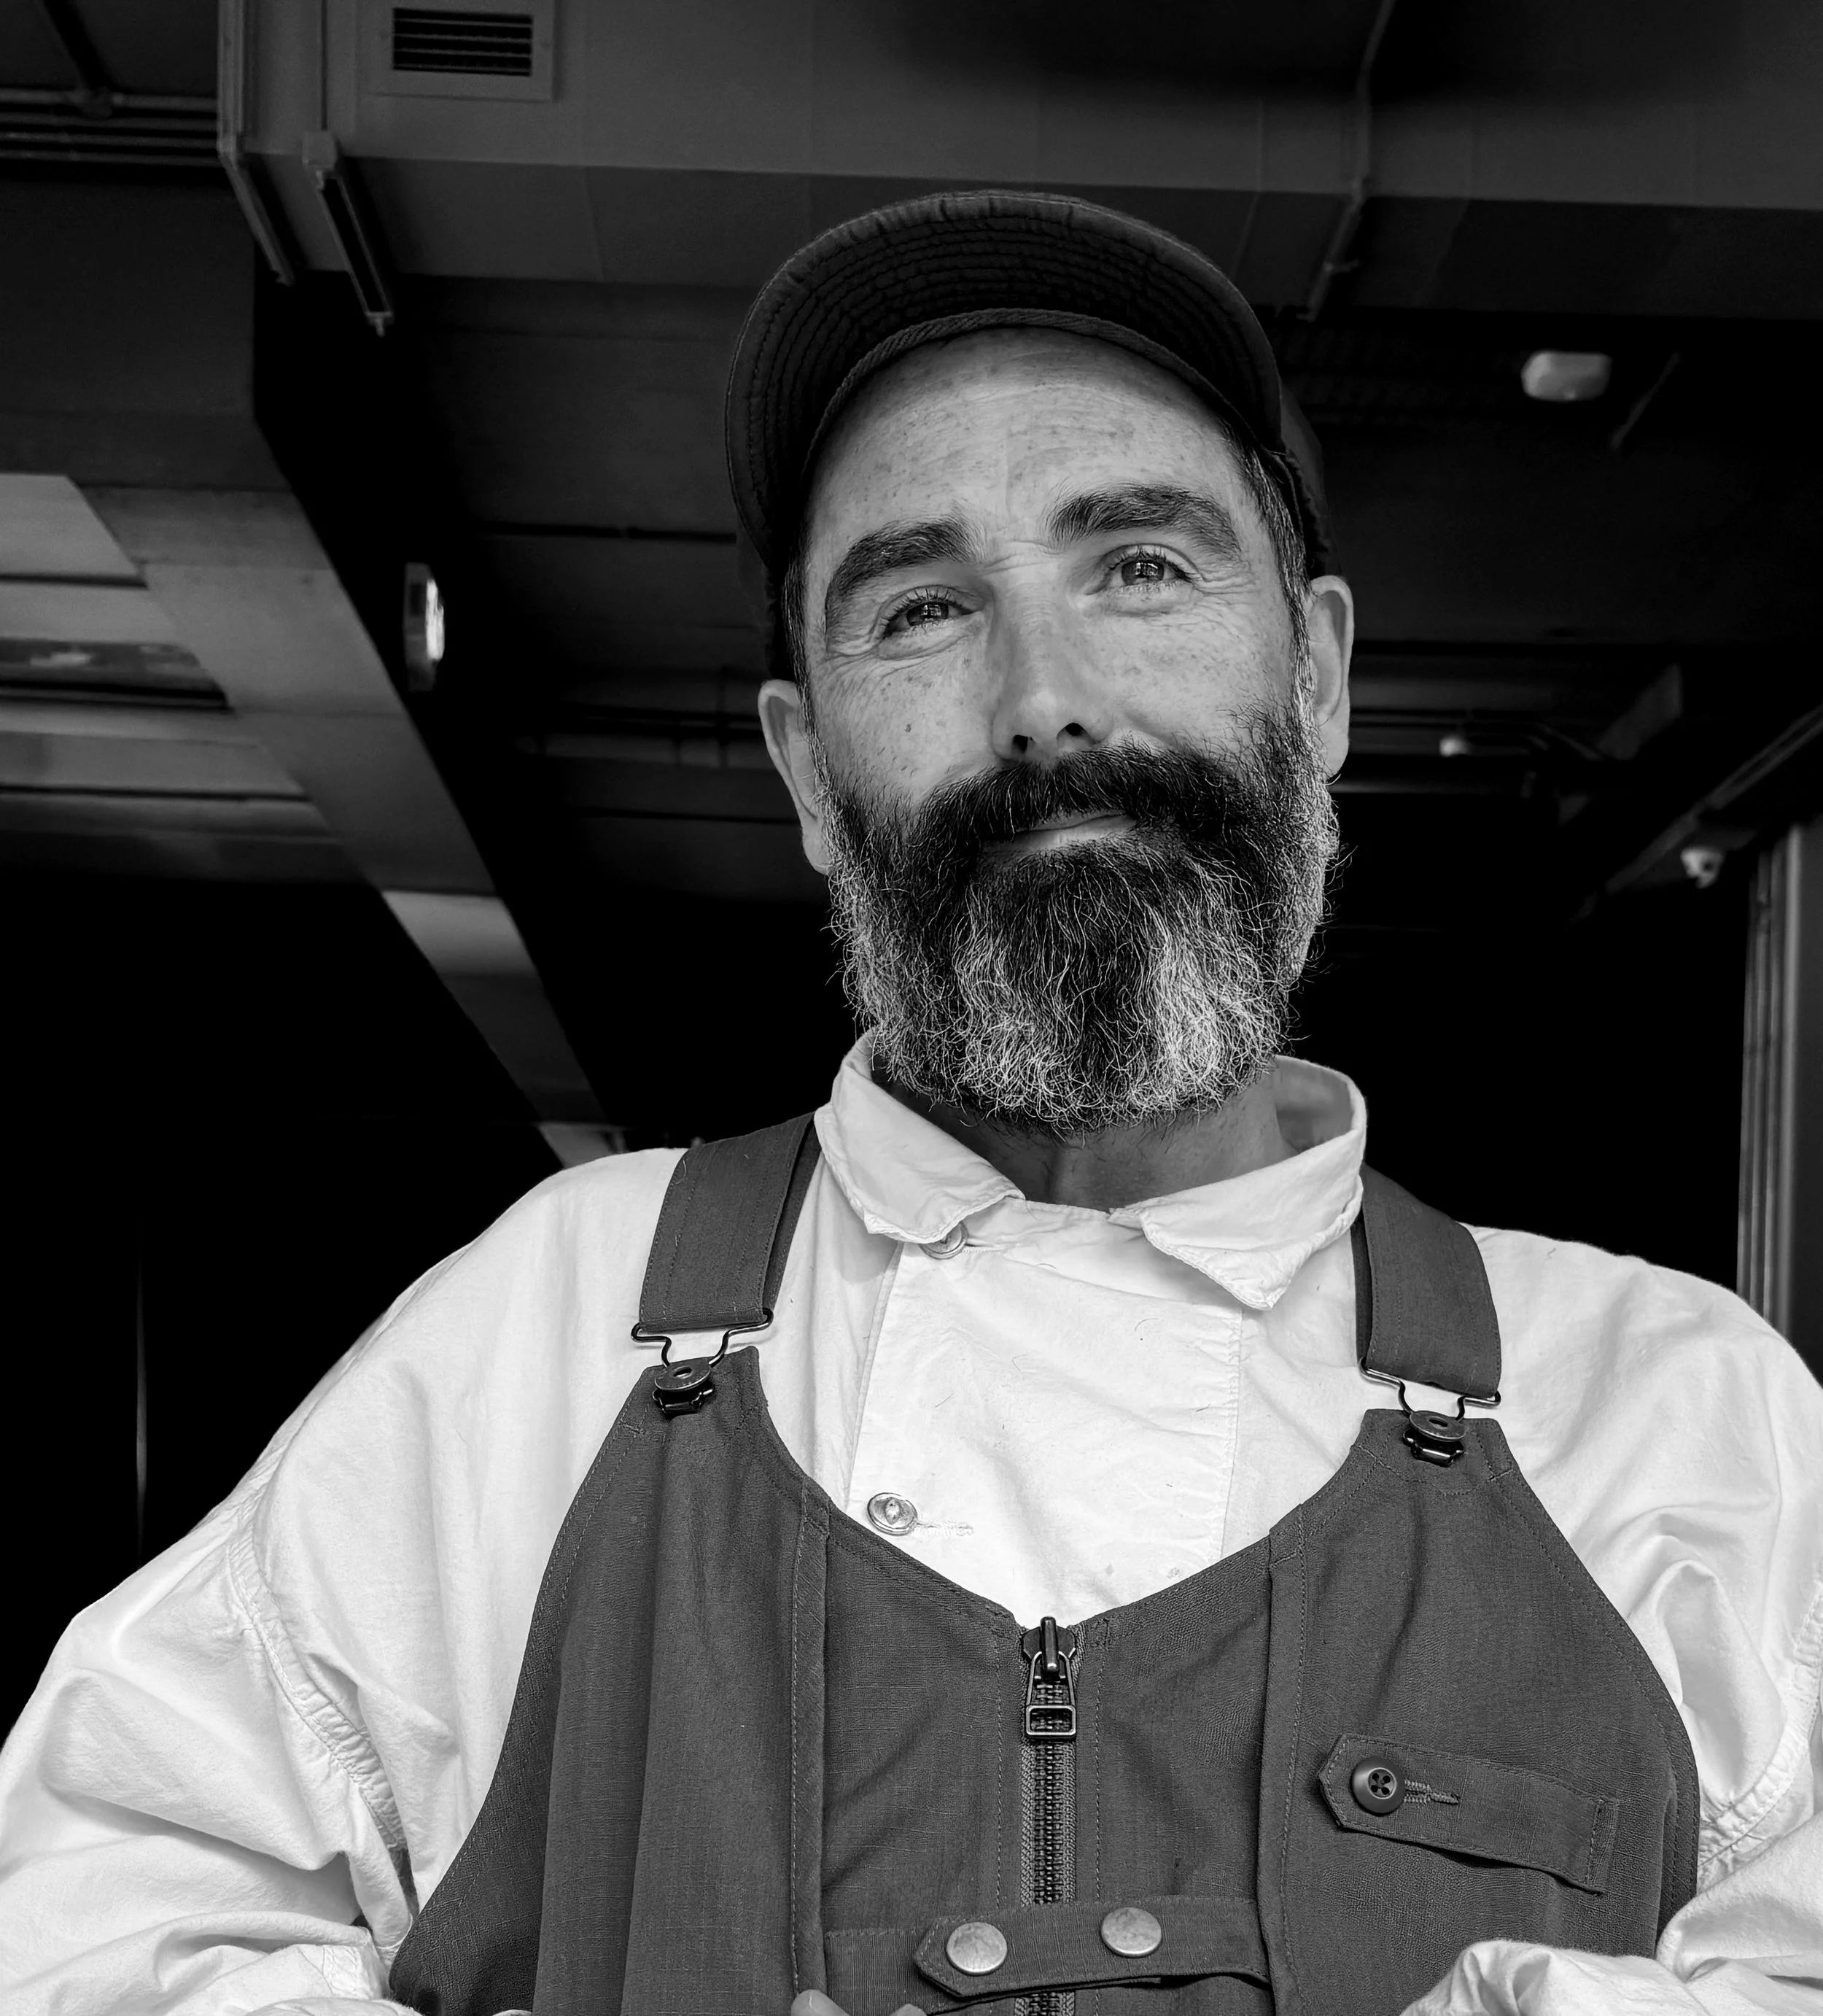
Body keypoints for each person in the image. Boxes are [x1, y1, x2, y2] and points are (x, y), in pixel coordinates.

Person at [2, 189, 1819, 2016]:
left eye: (1142, 566)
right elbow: (92, 1902)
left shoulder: (1676, 1415)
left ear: (1320, 676)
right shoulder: (545, 1333)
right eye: (924, 604)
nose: (1046, 703)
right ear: (805, 767)